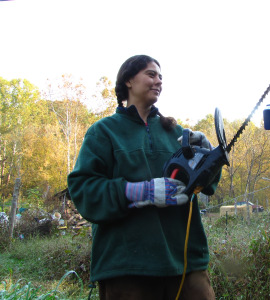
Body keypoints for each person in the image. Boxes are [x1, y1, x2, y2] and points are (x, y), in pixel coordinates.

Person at [67, 55, 219, 300]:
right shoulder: (104, 132)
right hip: (126, 266)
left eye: (161, 77)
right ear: (128, 80)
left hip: (185, 263)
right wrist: (140, 192)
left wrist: (208, 157)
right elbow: (83, 190)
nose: (158, 81)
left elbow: (206, 185)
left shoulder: (177, 134)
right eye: (151, 74)